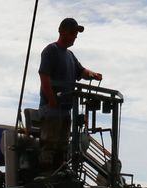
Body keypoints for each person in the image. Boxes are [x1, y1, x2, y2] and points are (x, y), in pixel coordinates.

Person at [37, 17, 102, 172]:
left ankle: (60, 173)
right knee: (49, 145)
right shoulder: (50, 50)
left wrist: (93, 74)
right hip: (51, 108)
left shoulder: (70, 56)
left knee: (63, 146)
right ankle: (46, 176)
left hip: (66, 109)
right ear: (63, 32)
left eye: (76, 33)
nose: (75, 36)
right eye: (73, 32)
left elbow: (81, 71)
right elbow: (44, 77)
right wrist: (52, 100)